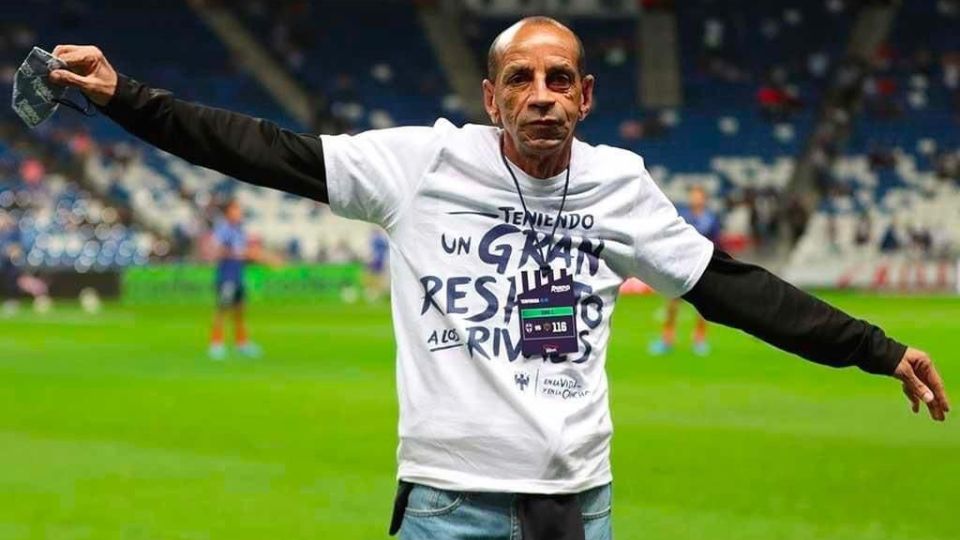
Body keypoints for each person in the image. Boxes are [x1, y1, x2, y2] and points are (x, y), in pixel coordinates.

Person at [48, 17, 949, 540]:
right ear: (492, 99)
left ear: (586, 96)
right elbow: (263, 152)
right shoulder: (421, 165)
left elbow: (735, 287)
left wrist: (875, 348)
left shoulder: (622, 185)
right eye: (521, 79)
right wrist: (129, 98)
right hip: (450, 503)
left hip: (579, 502)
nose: (542, 93)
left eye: (561, 79)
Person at [649, 185, 720, 356]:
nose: (694, 199)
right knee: (672, 304)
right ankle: (667, 339)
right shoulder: (683, 217)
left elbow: (716, 243)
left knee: (702, 308)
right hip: (681, 267)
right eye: (693, 196)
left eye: (698, 196)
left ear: (704, 199)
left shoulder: (710, 219)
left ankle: (699, 340)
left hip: (702, 267)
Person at [208, 199, 271, 360]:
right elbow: (216, 250)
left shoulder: (239, 230)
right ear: (228, 211)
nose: (239, 212)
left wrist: (253, 257)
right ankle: (216, 344)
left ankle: (241, 343)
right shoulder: (224, 229)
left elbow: (244, 254)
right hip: (226, 276)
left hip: (238, 275)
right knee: (222, 310)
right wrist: (239, 253)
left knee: (239, 311)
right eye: (236, 209)